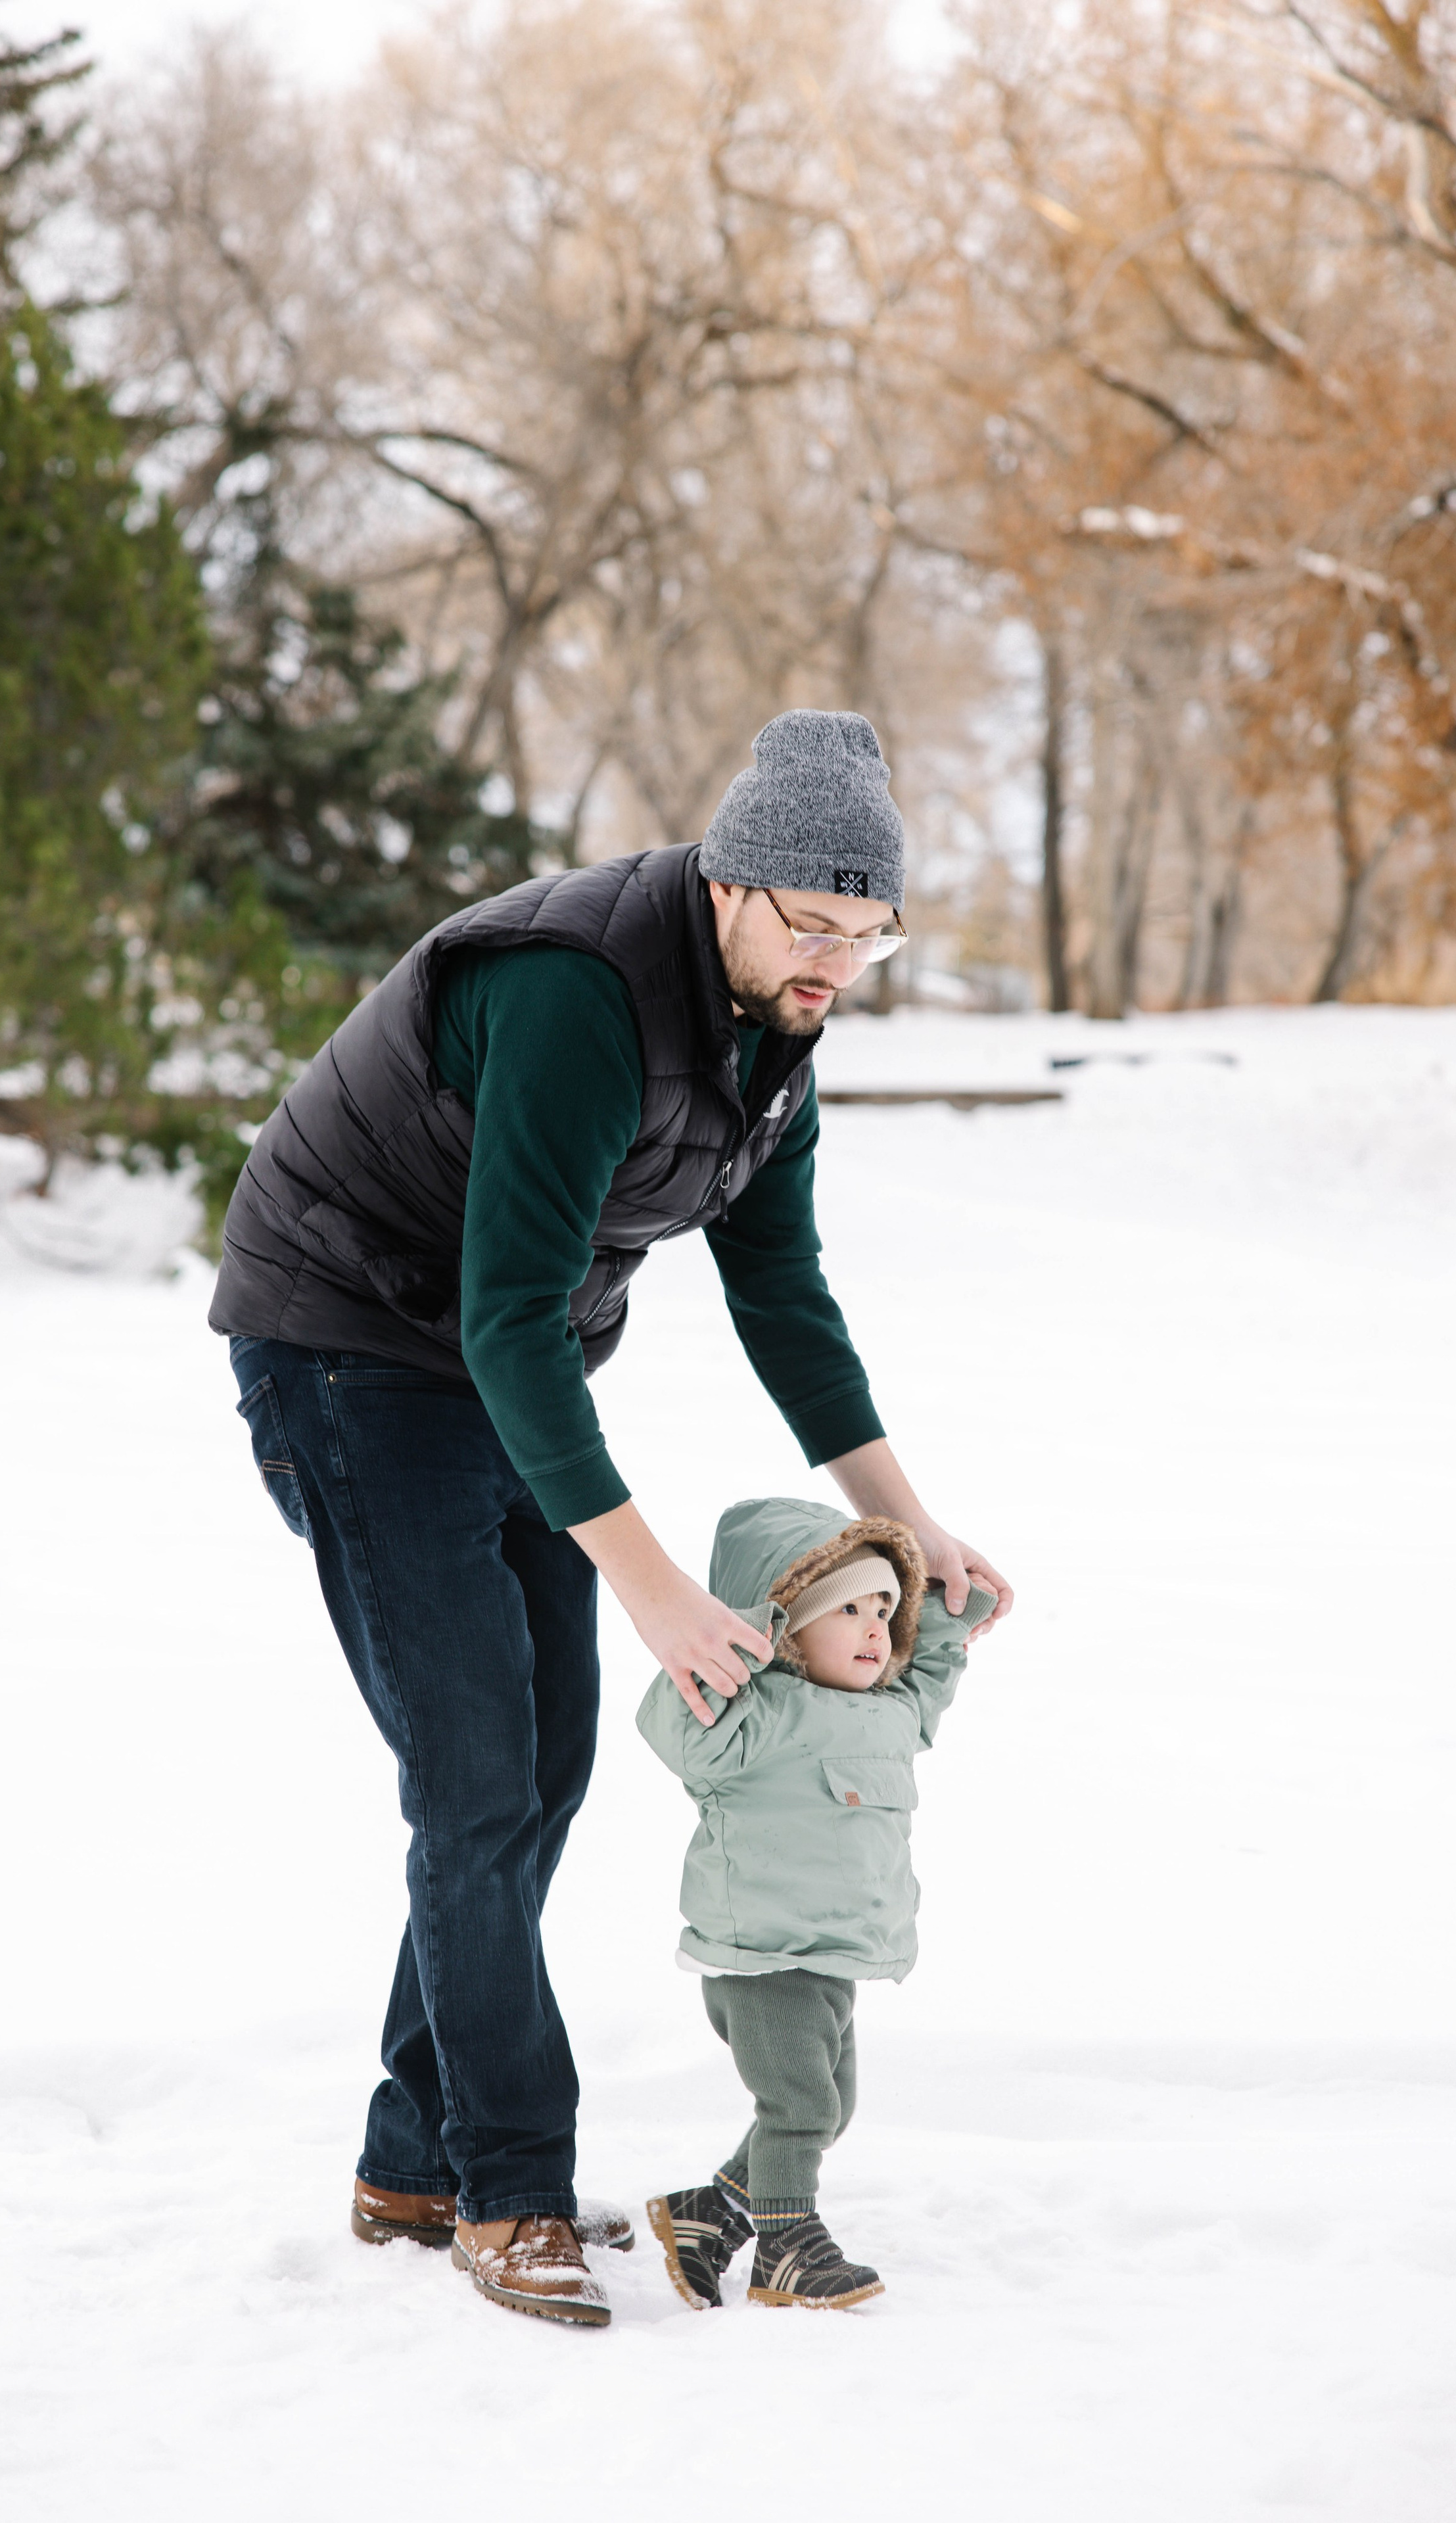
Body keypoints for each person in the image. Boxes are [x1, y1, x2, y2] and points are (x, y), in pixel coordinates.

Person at [209, 708, 1013, 2330]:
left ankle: (410, 2161)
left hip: (507, 1367)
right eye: (811, 923)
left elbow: (781, 1294)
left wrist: (905, 1523)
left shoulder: (772, 1031)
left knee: (542, 1769)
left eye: (867, 934)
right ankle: (504, 2186)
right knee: (475, 1781)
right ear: (725, 881)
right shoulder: (576, 991)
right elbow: (507, 1308)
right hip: (348, 1348)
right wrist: (648, 1584)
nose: (836, 964)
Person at [639, 1498, 993, 2312]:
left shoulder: (891, 1713)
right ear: (789, 1628)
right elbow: (678, 1729)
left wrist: (954, 1602)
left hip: (832, 1952)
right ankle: (787, 2246)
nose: (875, 1629)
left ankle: (710, 2212)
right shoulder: (754, 1713)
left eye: (884, 1611)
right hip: (764, 1954)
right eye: (848, 1610)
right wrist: (739, 1640)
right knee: (799, 2106)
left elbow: (933, 1669)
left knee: (829, 2107)